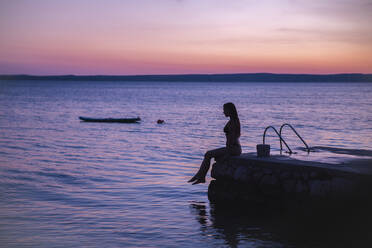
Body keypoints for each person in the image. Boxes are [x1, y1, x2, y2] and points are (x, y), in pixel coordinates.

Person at [188, 102, 242, 185]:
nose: (223, 112)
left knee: (208, 154)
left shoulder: (234, 122)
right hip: (232, 148)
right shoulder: (232, 120)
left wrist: (227, 154)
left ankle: (200, 176)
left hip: (233, 148)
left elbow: (233, 138)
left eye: (225, 110)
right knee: (208, 154)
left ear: (230, 110)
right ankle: (200, 176)